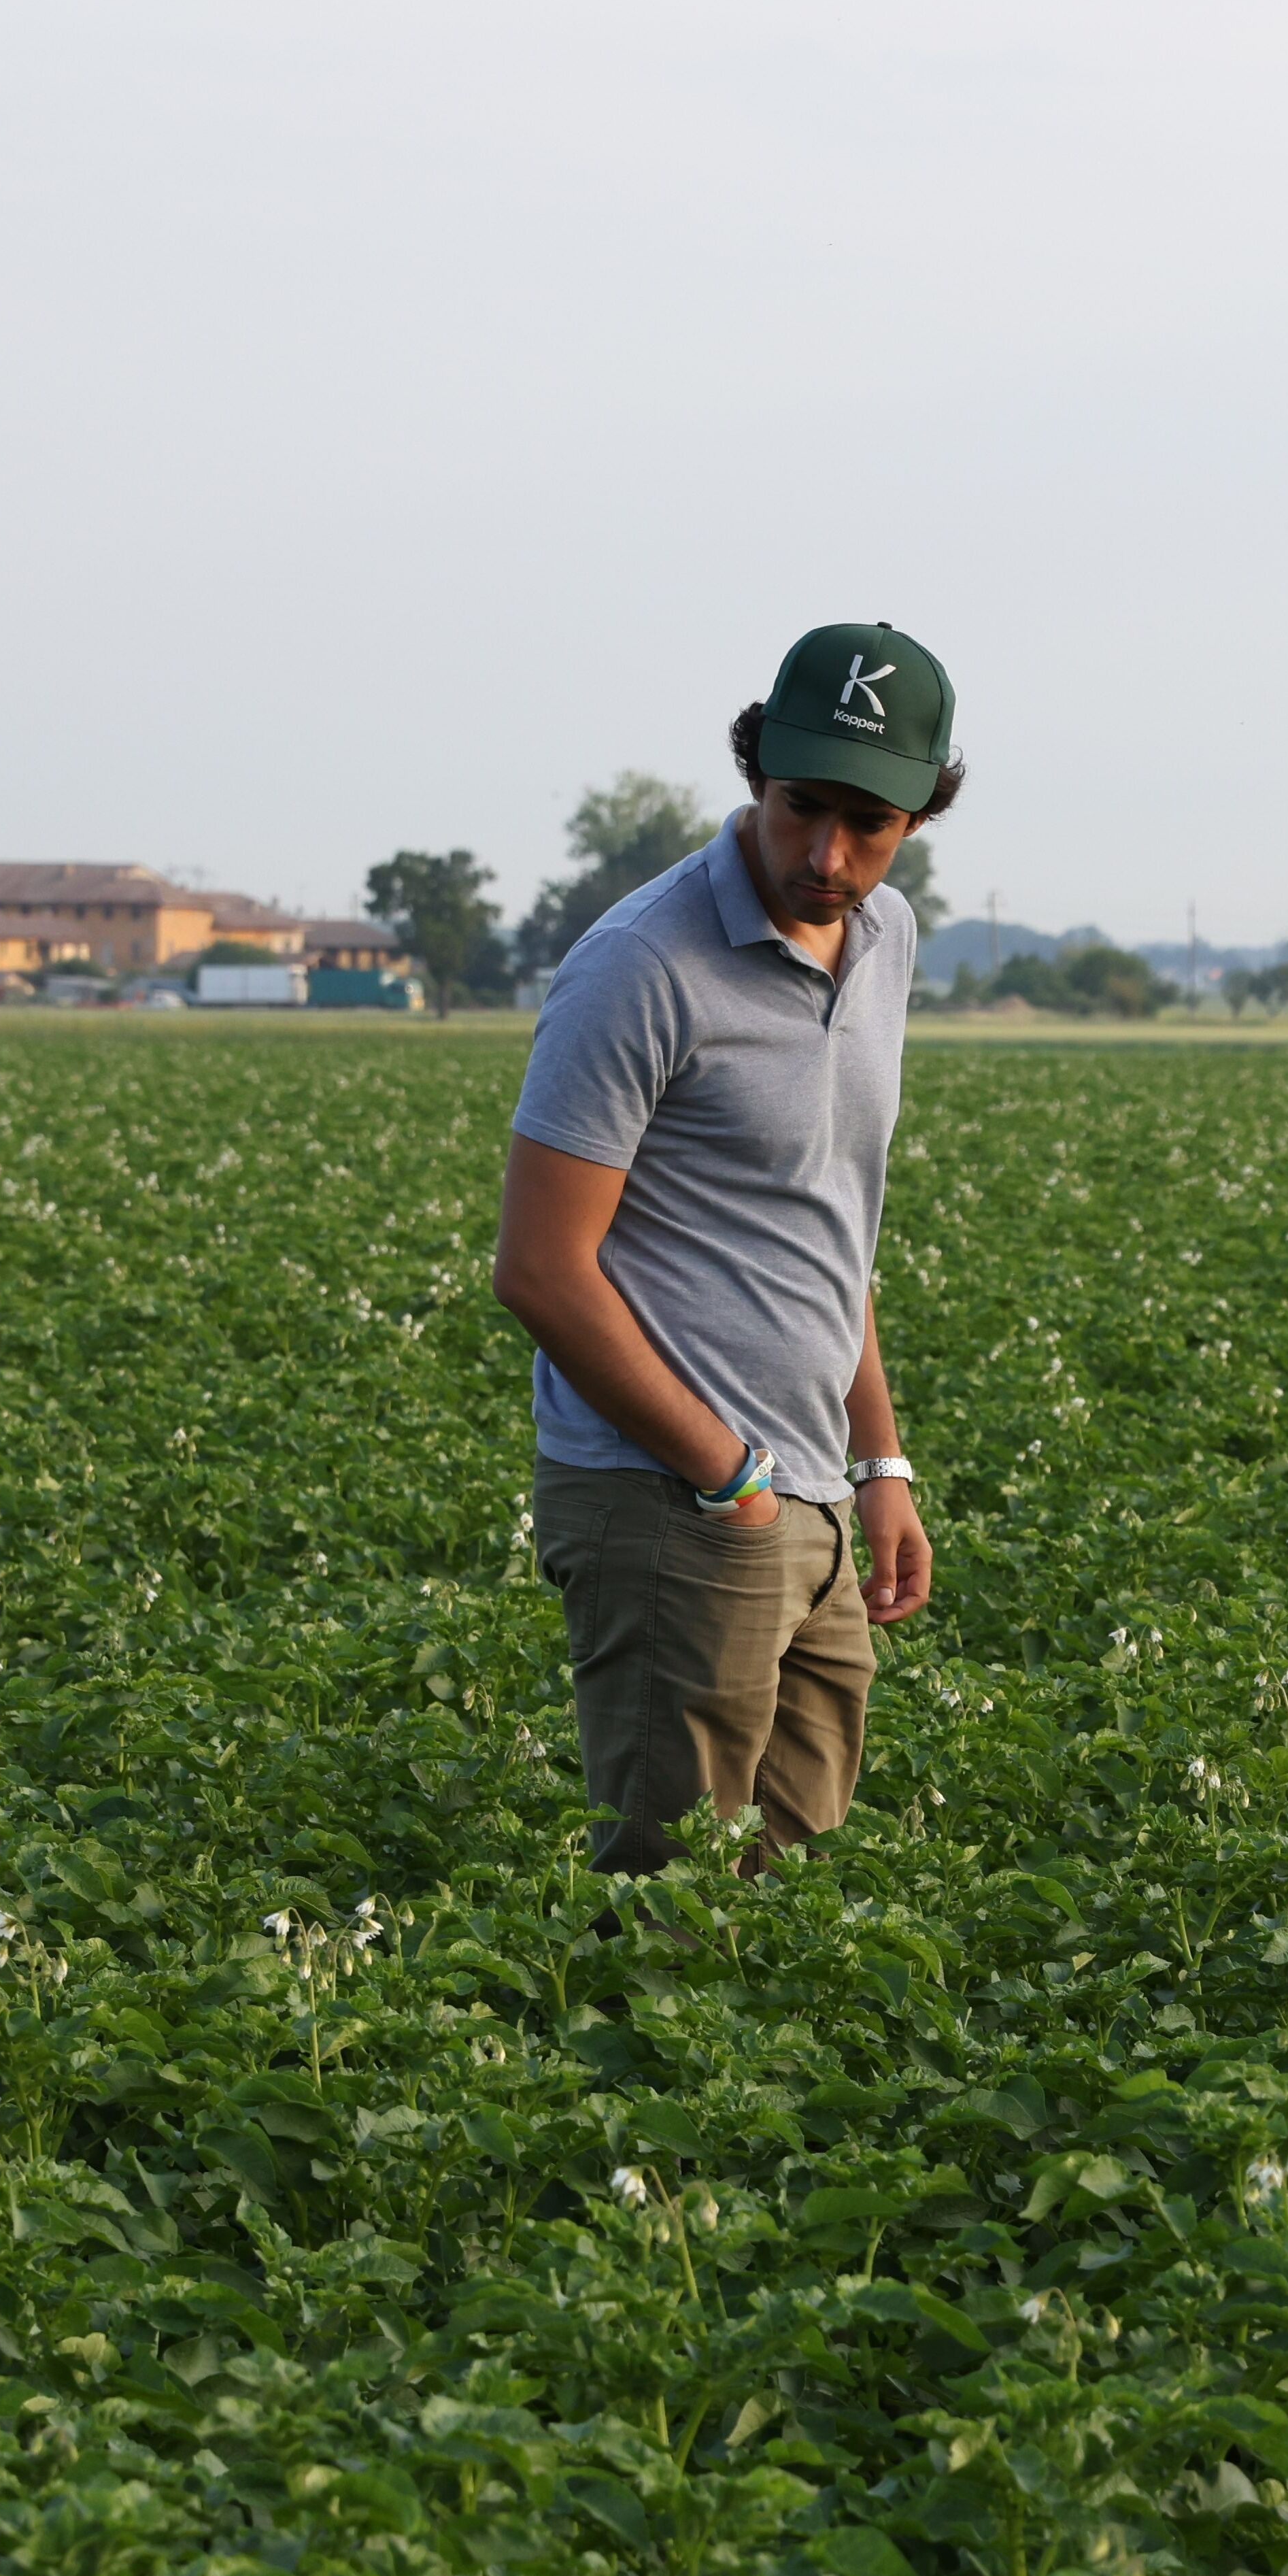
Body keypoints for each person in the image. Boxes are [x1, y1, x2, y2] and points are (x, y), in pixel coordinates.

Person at [491, 622, 952, 1872]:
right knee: (667, 1904)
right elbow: (539, 1267)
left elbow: (825, 1218)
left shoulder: (885, 940)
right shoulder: (640, 966)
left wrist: (880, 1460)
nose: (827, 853)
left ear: (923, 812)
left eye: (870, 823)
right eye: (803, 806)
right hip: (674, 1497)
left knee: (788, 1893)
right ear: (756, 770)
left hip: (806, 1494)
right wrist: (727, 1477)